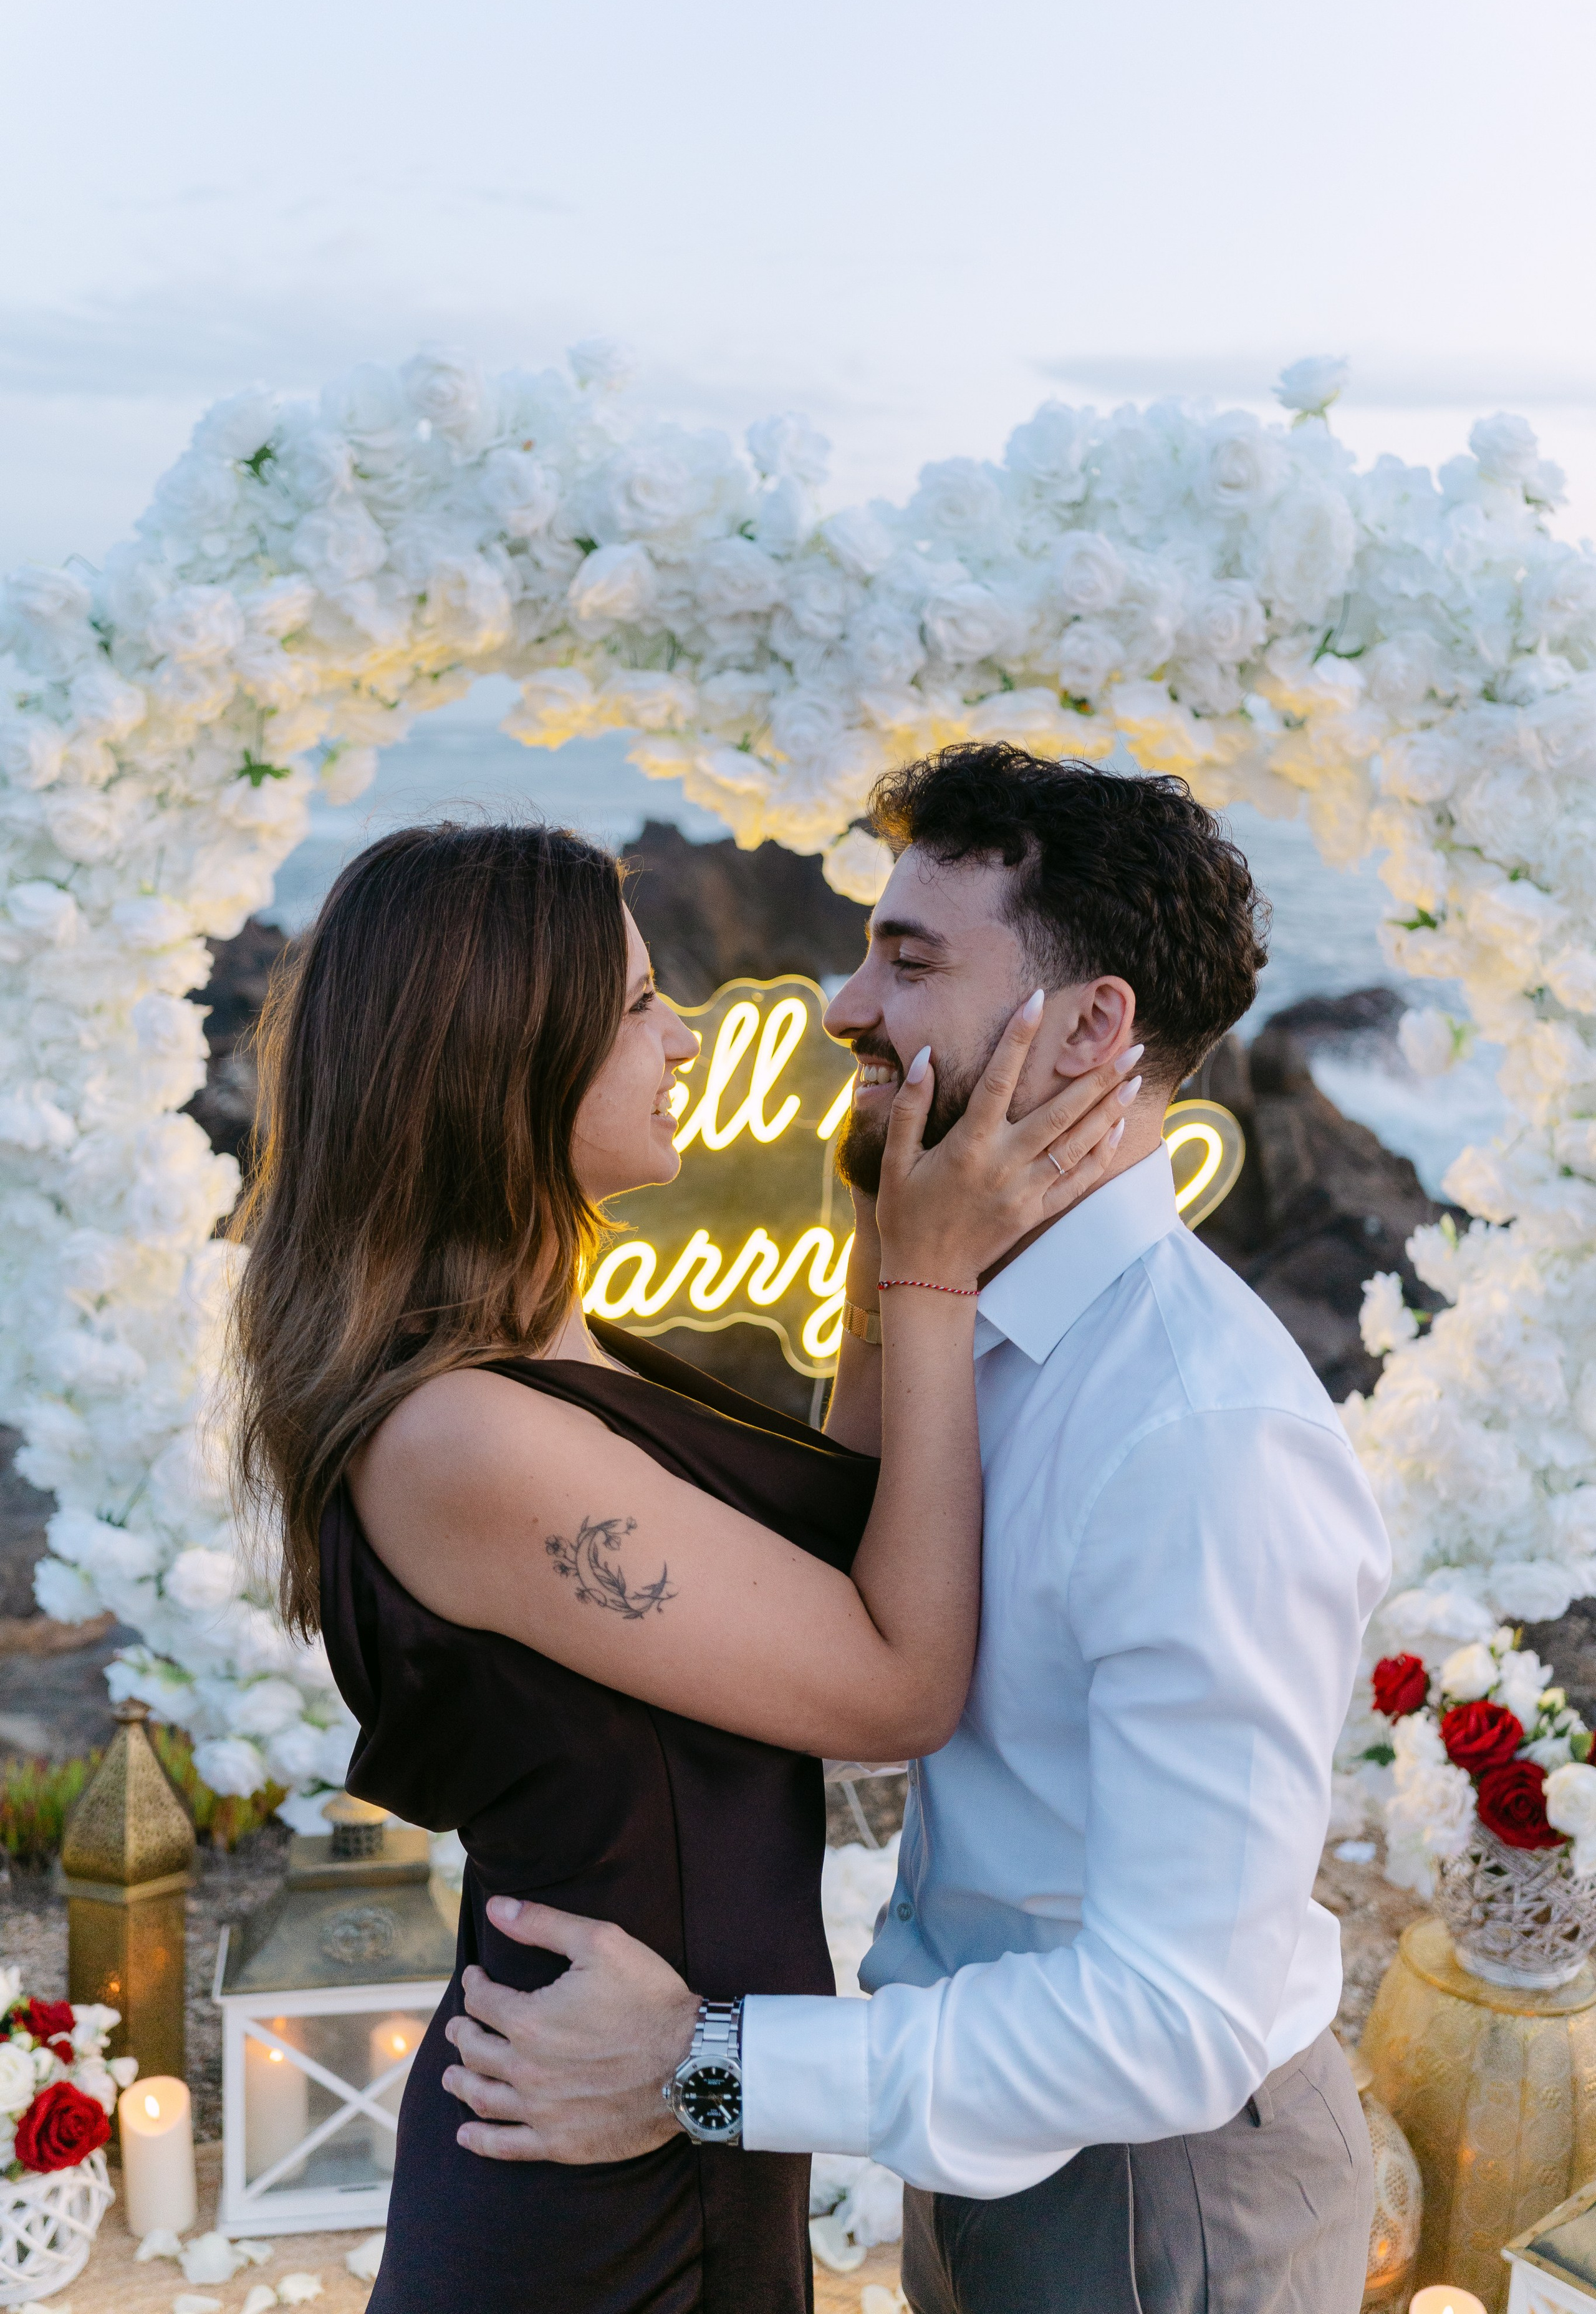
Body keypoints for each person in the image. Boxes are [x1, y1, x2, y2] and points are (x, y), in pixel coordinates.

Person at [441, 748, 1393, 2314]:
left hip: (1153, 2202)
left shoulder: (1202, 1438)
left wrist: (705, 2067)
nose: (839, 1007)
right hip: (980, 2132)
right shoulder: (972, 1327)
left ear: (1091, 1028)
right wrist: (899, 1280)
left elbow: (1174, 2021)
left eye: (910, 959)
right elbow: (842, 1623)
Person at [226, 814, 1127, 2314]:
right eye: (641, 1007)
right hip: (587, 2181)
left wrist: (873, 1209)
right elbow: (894, 1683)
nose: (688, 1042)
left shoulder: (534, 1339)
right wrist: (931, 1272)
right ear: (499, 1064)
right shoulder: (467, 1438)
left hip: (666, 2085)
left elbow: (841, 1525)